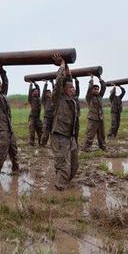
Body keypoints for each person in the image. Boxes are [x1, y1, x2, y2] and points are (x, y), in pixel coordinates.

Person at [50, 54, 79, 190]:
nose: (73, 89)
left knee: (74, 164)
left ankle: (63, 180)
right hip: (59, 135)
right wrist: (61, 66)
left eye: (73, 88)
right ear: (64, 89)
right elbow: (59, 82)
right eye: (71, 88)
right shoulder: (58, 99)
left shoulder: (72, 101)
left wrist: (67, 66)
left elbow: (68, 79)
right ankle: (59, 188)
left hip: (70, 137)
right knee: (63, 164)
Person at [0, 62, 20, 179]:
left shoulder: (2, 95)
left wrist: (2, 71)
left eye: (0, 85)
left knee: (14, 150)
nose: (0, 86)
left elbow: (5, 82)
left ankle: (16, 170)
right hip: (0, 129)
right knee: (1, 153)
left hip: (8, 128)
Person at [83, 75, 107, 151]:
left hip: (100, 118)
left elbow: (104, 87)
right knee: (90, 134)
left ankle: (103, 147)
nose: (96, 90)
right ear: (92, 90)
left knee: (101, 135)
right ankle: (86, 148)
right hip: (92, 119)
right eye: (95, 89)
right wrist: (92, 78)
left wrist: (100, 78)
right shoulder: (89, 97)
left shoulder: (100, 96)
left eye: (97, 89)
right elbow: (89, 88)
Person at [39, 80, 54, 146]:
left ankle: (52, 144)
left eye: (50, 93)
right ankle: (43, 144)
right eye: (47, 93)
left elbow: (56, 91)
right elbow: (43, 93)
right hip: (47, 118)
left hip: (53, 118)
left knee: (53, 132)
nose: (49, 94)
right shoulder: (44, 101)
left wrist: (53, 83)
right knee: (45, 132)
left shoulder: (54, 100)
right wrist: (46, 84)